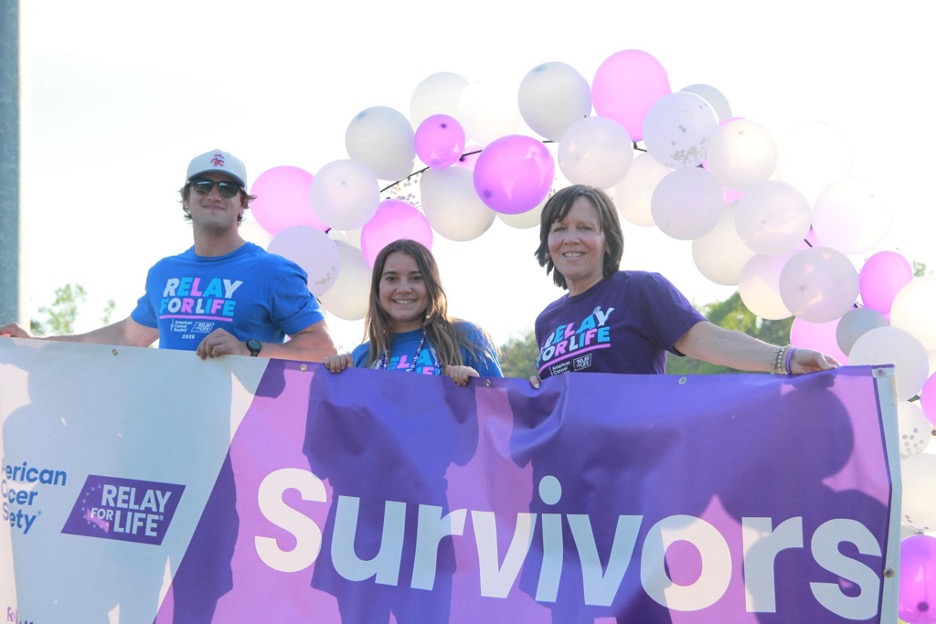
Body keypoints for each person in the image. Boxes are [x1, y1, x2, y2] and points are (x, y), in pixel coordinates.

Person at [1, 148, 336, 362]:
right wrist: (34, 344)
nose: (214, 194)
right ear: (186, 198)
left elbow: (322, 350)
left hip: (245, 439)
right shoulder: (165, 272)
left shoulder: (273, 271)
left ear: (242, 203)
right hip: (175, 434)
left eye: (228, 188)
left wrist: (247, 349)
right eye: (203, 186)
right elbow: (124, 338)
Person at [531, 184, 838, 383]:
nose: (571, 238)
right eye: (560, 229)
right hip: (569, 474)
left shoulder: (639, 291)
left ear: (607, 241)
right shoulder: (547, 321)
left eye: (585, 228)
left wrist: (785, 359)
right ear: (548, 241)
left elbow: (711, 341)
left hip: (636, 467)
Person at [323, 238, 502, 384]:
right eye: (392, 279)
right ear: (377, 288)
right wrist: (334, 375)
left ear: (432, 285)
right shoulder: (362, 356)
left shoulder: (468, 337)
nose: (403, 288)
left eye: (416, 278)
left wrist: (472, 387)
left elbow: (500, 411)